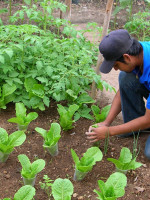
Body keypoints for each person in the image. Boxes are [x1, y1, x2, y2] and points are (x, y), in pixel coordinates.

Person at [86, 29, 150, 159]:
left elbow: (148, 120)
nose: (115, 68)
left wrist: (109, 132)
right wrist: (106, 123)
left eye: (115, 64)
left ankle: (140, 125)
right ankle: (136, 127)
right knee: (125, 78)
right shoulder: (139, 52)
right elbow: (123, 90)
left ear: (126, 57)